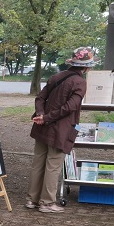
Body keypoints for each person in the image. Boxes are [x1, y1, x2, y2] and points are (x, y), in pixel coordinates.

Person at [27, 46, 94, 213]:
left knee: (38, 164)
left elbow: (40, 97)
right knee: (53, 165)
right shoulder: (79, 82)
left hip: (42, 127)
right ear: (86, 67)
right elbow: (71, 107)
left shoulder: (56, 76)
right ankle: (47, 203)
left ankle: (32, 200)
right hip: (61, 130)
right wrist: (47, 117)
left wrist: (42, 115)